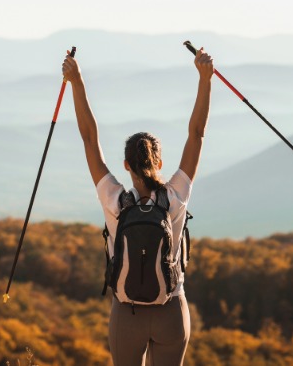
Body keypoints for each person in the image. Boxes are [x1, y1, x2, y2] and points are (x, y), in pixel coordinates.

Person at [61, 47, 214, 366]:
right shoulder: (175, 197)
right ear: (159, 162)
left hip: (126, 314)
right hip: (171, 310)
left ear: (126, 165)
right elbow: (196, 134)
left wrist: (76, 81)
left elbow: (90, 139)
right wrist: (205, 78)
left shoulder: (115, 200)